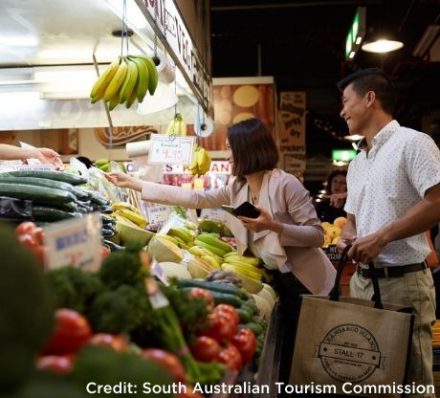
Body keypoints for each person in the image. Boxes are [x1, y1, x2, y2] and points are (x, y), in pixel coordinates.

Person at [106, 118, 336, 390]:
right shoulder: (237, 187)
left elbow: (316, 235)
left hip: (306, 282)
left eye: (231, 148)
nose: (227, 154)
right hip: (276, 277)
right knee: (288, 354)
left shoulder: (286, 184)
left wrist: (272, 225)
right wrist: (136, 184)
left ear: (247, 150)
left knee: (309, 356)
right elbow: (197, 199)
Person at [336, 68, 440, 396]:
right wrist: (348, 235)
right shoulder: (357, 163)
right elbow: (352, 219)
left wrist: (381, 237)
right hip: (363, 283)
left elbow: (437, 201)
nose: (342, 111)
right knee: (371, 378)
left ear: (370, 98)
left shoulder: (413, 143)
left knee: (411, 381)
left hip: (404, 283)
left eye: (346, 101)